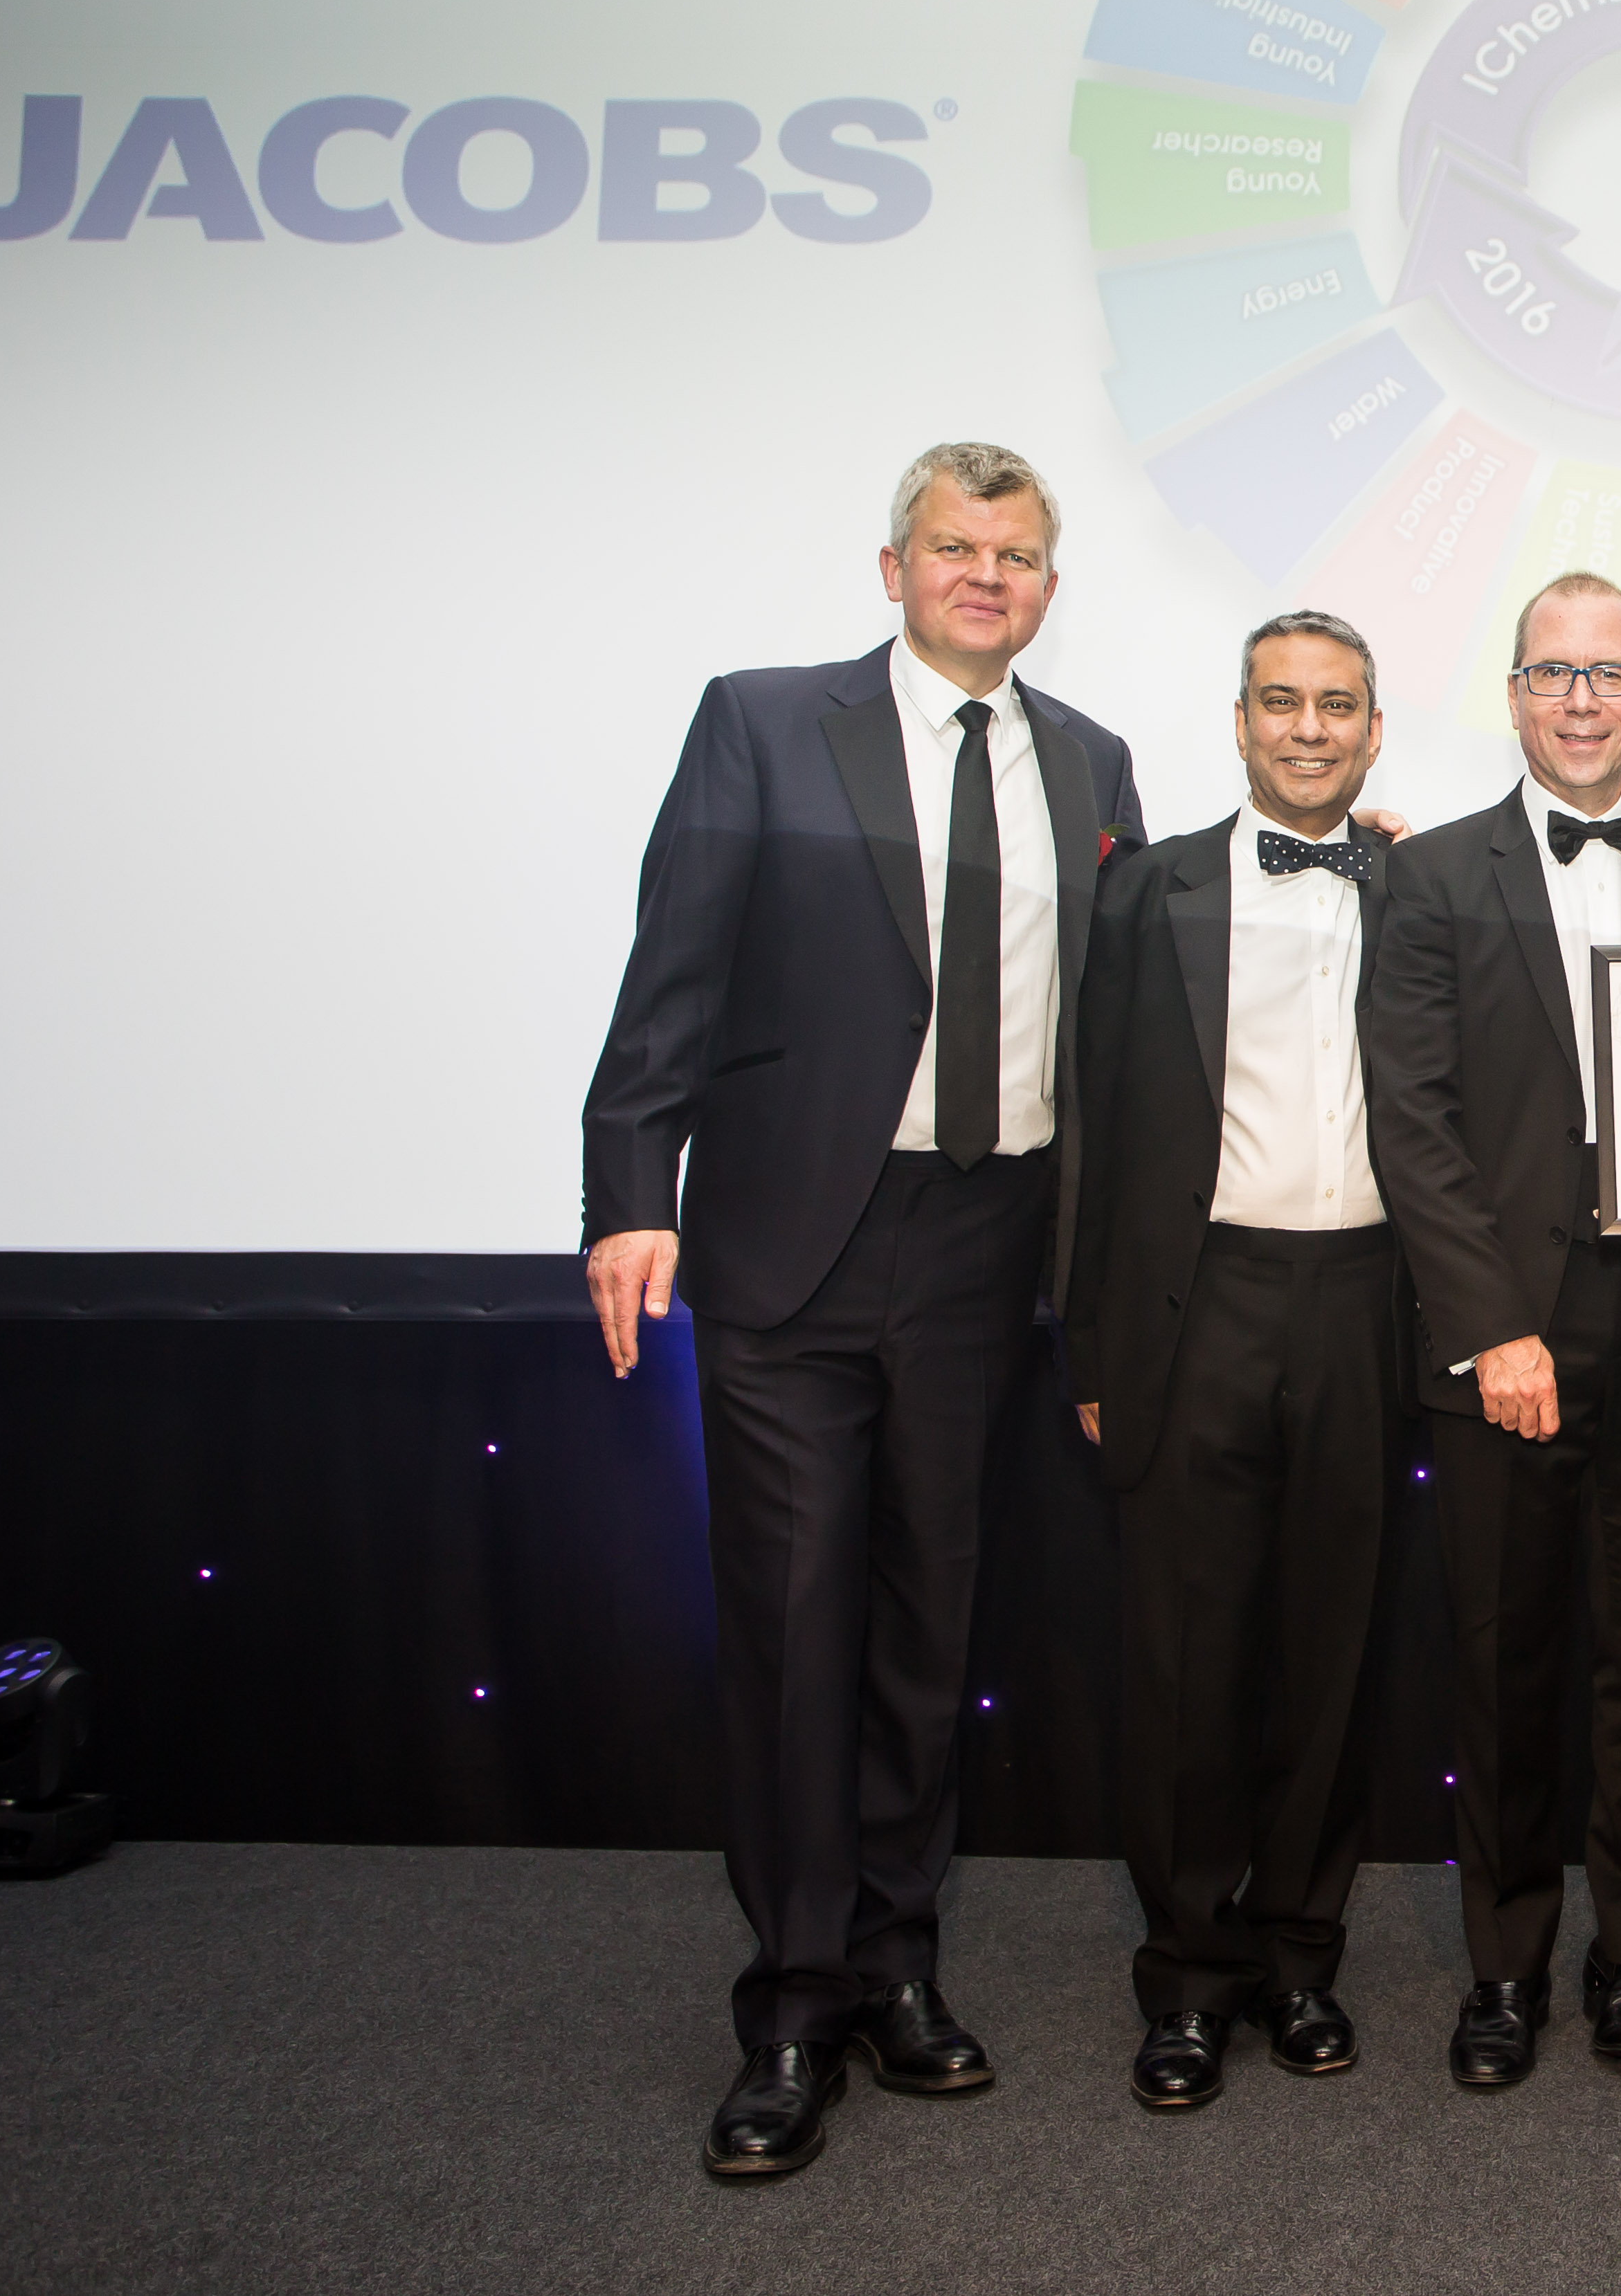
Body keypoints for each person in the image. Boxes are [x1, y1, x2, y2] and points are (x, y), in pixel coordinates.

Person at [580, 442, 1143, 2179]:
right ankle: (794, 2004)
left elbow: (1132, 993)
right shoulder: (762, 721)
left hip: (990, 1245)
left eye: (1021, 553)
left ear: (1052, 581)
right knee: (797, 1622)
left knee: (929, 1627)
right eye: (958, 548)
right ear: (892, 565)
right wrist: (626, 1195)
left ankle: (901, 1964)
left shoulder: (1096, 761)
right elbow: (671, 962)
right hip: (793, 1247)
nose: (990, 576)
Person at [1362, 572, 1621, 2087]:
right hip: (1504, 1336)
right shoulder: (1430, 875)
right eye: (1552, 673)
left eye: (1609, 673)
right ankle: (1503, 1967)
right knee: (1502, 1667)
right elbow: (1414, 1123)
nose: (1581, 699)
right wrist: (1492, 1326)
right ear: (1512, 694)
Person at [1061, 610, 1402, 2113]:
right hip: (1194, 1305)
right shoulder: (1148, 894)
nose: (1311, 729)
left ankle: (1301, 1954)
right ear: (1242, 721)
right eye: (1283, 703)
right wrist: (1087, 1334)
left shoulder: (1422, 881)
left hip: (1366, 1303)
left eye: (1338, 706)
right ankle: (1191, 1976)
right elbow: (1091, 1120)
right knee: (1192, 1659)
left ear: (1375, 730)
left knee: (1331, 1654)